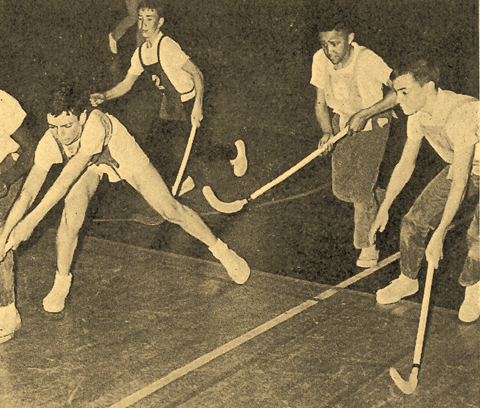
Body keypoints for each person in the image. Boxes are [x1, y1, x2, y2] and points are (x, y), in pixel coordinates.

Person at [0, 84, 250, 315]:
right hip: (86, 165)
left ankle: (222, 251)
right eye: (53, 127)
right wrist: (5, 236)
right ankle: (61, 282)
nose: (60, 135)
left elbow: (65, 180)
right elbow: (28, 193)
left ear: (82, 117)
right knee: (71, 216)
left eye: (67, 126)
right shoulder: (50, 140)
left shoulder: (95, 125)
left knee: (170, 209)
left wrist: (29, 223)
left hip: (117, 150)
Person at [370, 56, 479, 323]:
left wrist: (440, 231)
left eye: (404, 92)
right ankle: (407, 280)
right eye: (396, 92)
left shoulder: (462, 113)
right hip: (466, 167)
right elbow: (406, 163)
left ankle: (475, 287)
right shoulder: (417, 114)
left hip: (467, 169)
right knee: (413, 220)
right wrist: (384, 207)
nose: (398, 99)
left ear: (428, 87)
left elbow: (460, 180)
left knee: (477, 236)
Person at [93, 0, 247, 190]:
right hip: (170, 104)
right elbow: (126, 84)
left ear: (160, 22)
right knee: (154, 145)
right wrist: (104, 96)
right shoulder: (140, 53)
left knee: (201, 149)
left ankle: (235, 152)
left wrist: (198, 106)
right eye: (140, 19)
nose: (143, 24)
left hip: (189, 101)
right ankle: (181, 181)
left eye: (150, 19)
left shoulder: (167, 46)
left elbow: (197, 74)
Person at [310, 18, 397, 268]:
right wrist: (326, 132)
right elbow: (320, 102)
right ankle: (376, 200)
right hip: (342, 122)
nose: (329, 50)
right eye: (324, 44)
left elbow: (398, 91)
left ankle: (367, 245)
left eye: (335, 43)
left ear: (350, 39)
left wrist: (365, 114)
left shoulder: (368, 59)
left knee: (359, 190)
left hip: (374, 123)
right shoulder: (320, 59)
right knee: (341, 190)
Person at [0, 90, 35, 343]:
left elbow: (31, 150)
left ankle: (7, 312)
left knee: (0, 236)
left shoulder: (2, 103)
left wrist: (6, 179)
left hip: (8, 167)